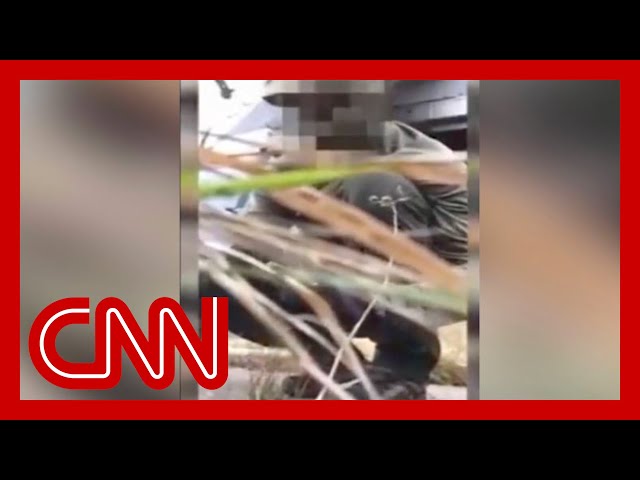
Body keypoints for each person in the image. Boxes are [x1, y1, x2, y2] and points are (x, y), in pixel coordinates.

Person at [199, 80, 468, 399]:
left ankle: (400, 370)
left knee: (375, 185)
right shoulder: (290, 167)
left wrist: (397, 303)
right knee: (207, 281)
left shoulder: (428, 162)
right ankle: (334, 370)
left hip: (419, 292)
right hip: (339, 289)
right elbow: (247, 252)